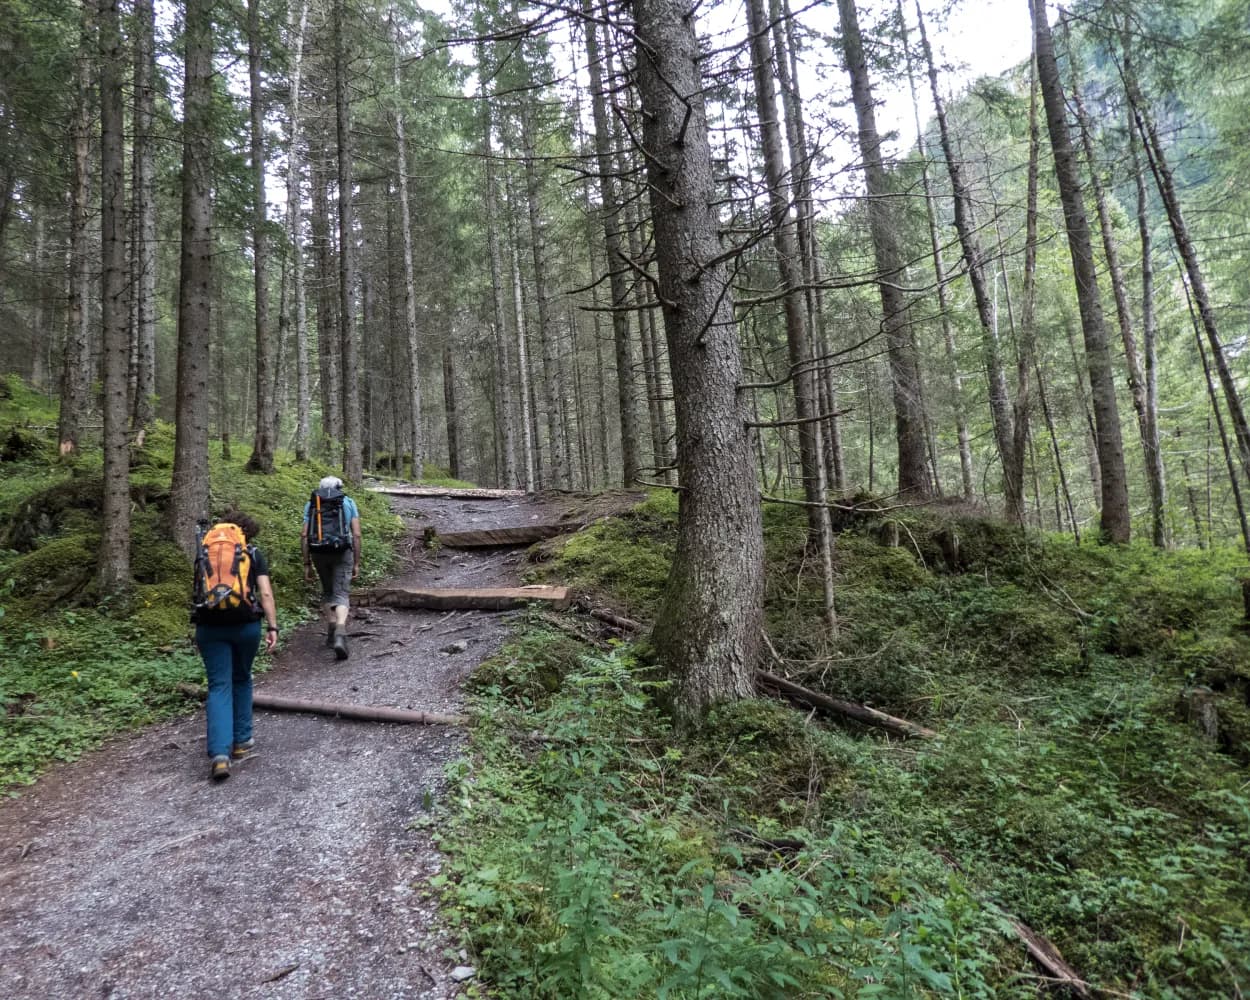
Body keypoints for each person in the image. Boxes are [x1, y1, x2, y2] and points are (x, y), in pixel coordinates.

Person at [191, 510, 278, 782]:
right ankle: (241, 741)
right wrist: (273, 626)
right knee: (241, 678)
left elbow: (198, 592)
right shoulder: (252, 554)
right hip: (245, 625)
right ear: (245, 533)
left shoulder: (204, 553)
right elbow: (264, 593)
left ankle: (219, 754)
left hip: (209, 625)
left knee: (218, 685)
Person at [301, 475, 361, 660]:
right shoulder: (348, 502)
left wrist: (307, 563)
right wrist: (356, 561)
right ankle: (340, 632)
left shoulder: (312, 504)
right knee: (341, 593)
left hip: (318, 552)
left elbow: (304, 535)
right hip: (342, 552)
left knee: (327, 591)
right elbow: (356, 534)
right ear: (339, 487)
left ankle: (331, 628)